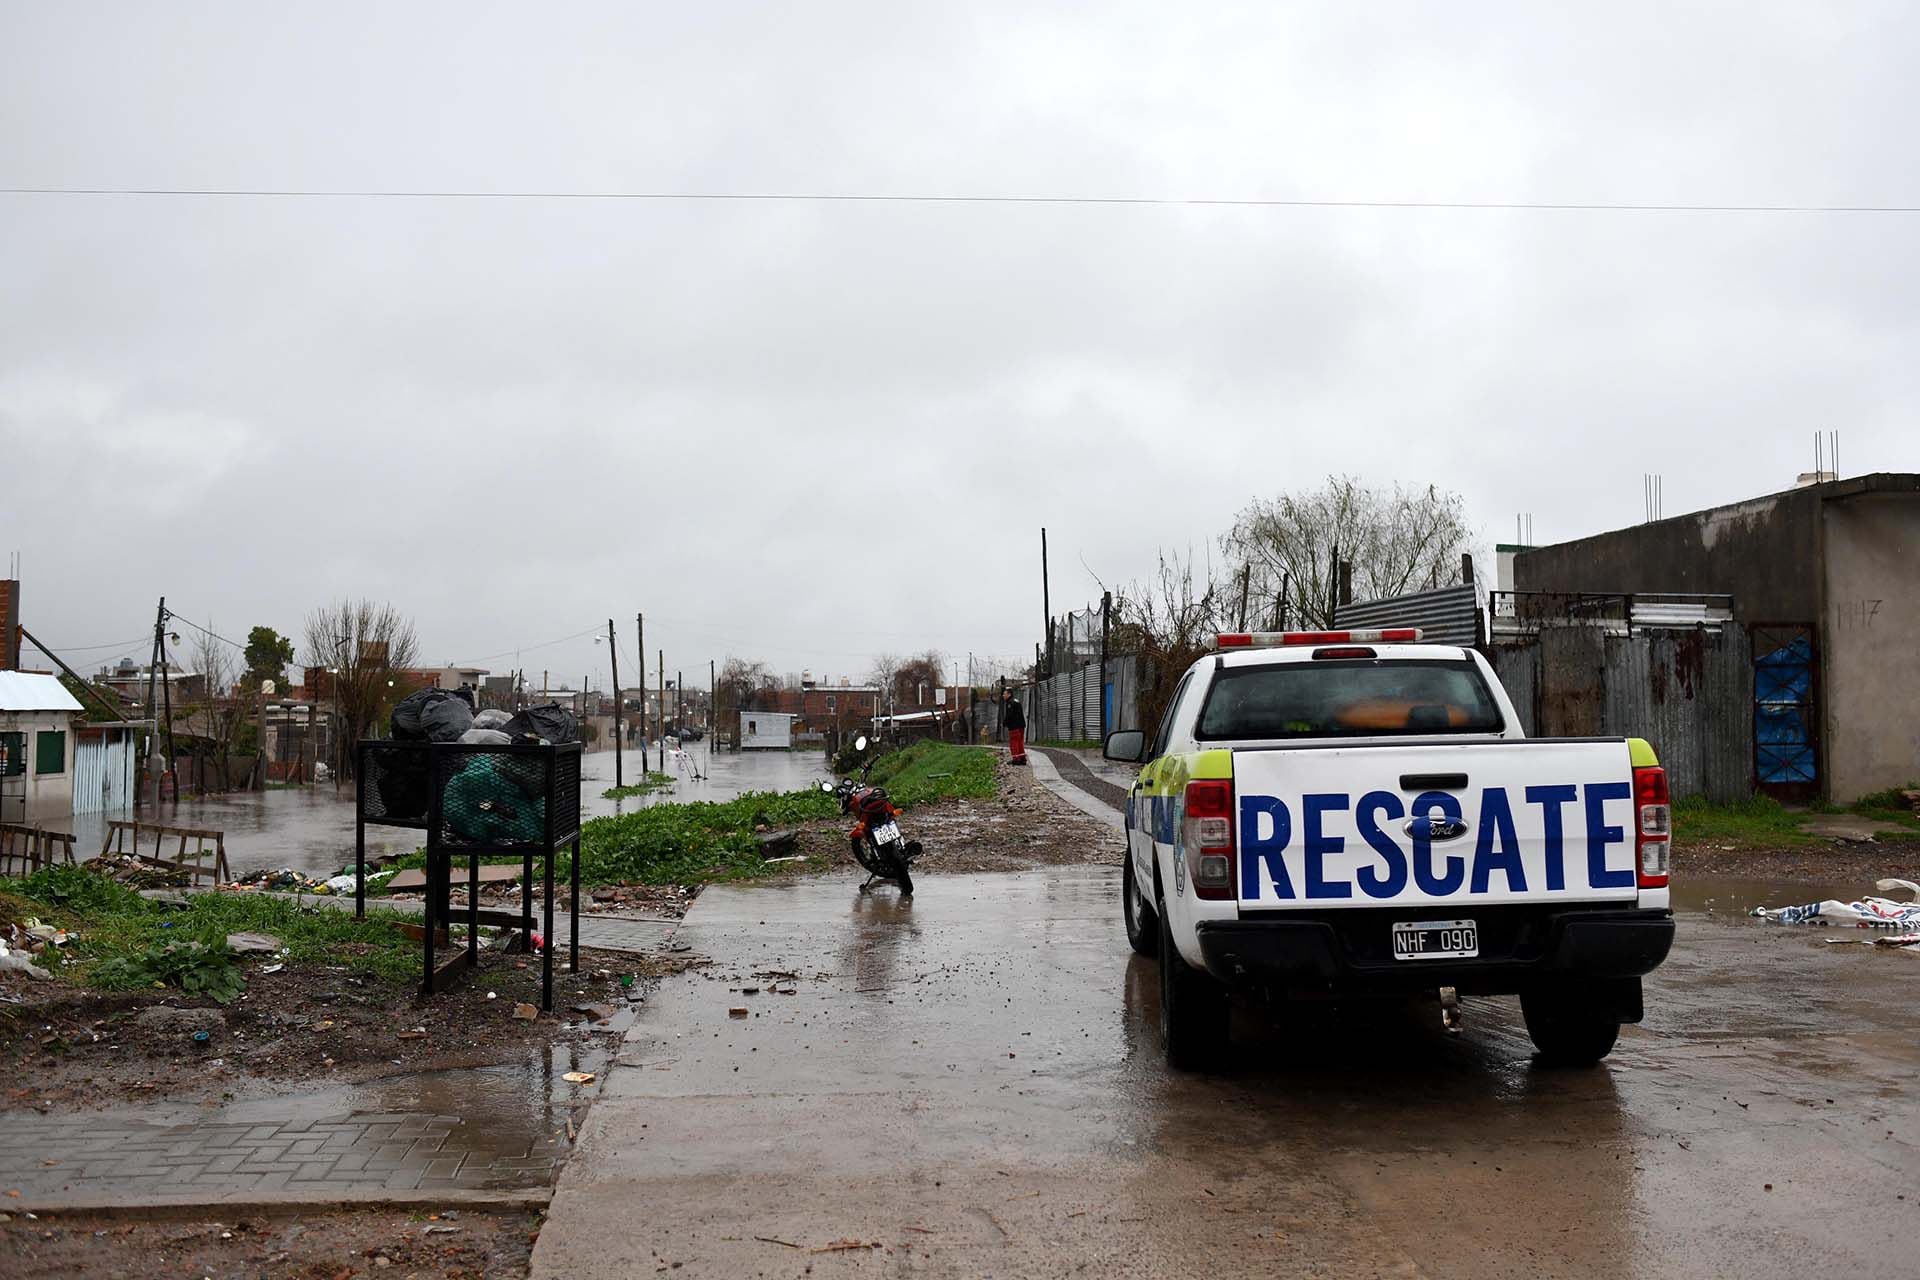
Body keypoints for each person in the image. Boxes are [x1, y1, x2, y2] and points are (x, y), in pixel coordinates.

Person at [1003, 688, 1027, 766]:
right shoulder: (1017, 701)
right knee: (1020, 742)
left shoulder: (1010, 703)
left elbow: (1009, 715)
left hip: (1014, 726)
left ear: (1009, 694)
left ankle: (1016, 759)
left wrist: (1004, 723)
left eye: (1004, 694)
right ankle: (1022, 758)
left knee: (1014, 742)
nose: (1003, 695)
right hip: (1021, 725)